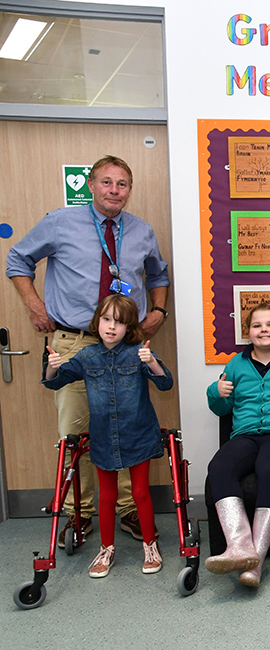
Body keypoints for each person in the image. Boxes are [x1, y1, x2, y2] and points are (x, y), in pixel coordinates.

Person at [6, 155, 170, 548]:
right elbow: (18, 259)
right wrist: (33, 305)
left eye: (123, 184)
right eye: (107, 182)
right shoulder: (60, 222)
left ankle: (129, 507)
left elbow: (158, 273)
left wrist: (159, 310)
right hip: (76, 340)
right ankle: (79, 513)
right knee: (78, 432)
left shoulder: (142, 231)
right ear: (91, 185)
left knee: (127, 426)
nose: (115, 190)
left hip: (127, 343)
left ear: (130, 189)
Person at [42, 295, 173, 578]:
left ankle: (150, 546)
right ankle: (106, 548)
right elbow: (56, 380)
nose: (112, 327)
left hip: (137, 434)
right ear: (97, 322)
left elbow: (165, 383)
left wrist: (152, 363)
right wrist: (53, 364)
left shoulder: (137, 352)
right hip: (104, 438)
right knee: (108, 495)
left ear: (130, 327)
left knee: (139, 492)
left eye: (120, 322)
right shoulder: (87, 356)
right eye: (106, 320)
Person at [205, 302, 270, 588]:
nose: (264, 329)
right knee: (219, 467)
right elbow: (221, 409)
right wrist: (216, 392)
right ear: (248, 332)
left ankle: (256, 562)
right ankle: (240, 548)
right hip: (245, 435)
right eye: (257, 325)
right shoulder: (235, 364)